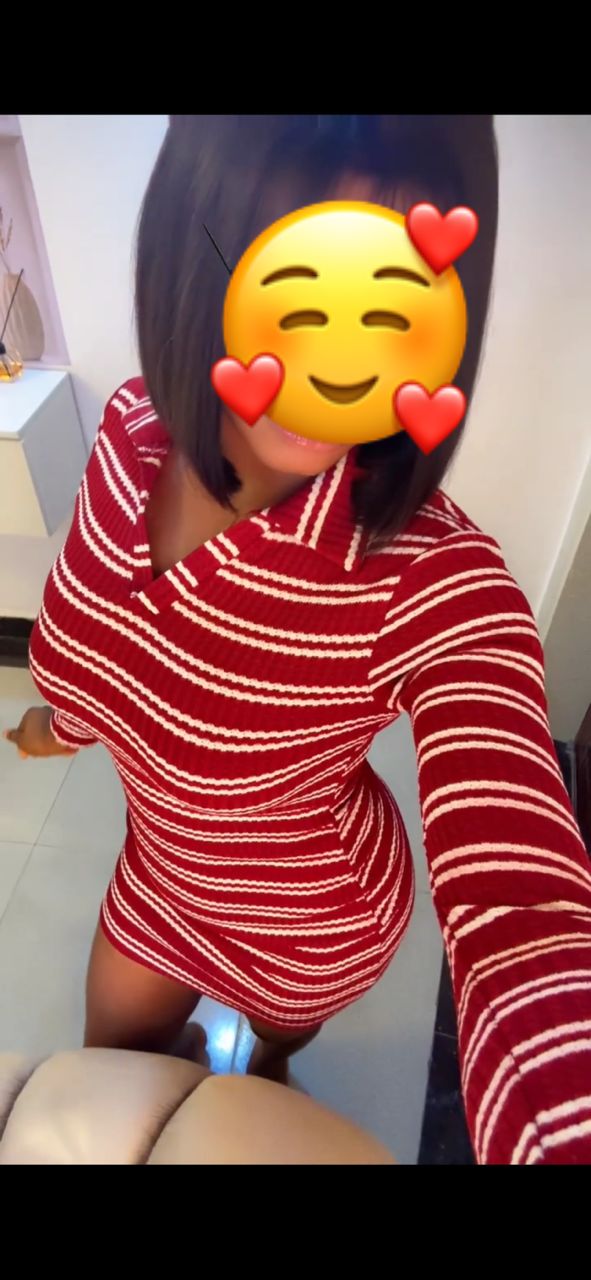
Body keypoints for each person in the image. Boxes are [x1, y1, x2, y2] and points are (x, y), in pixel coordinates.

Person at [5, 116, 591, 1164]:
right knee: (104, 1073)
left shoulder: (431, 577)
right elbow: (105, 651)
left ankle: (272, 1056)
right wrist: (60, 722)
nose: (332, 355)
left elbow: (525, 914)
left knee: (265, 1067)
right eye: (293, 273)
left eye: (388, 295)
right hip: (159, 875)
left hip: (313, 921)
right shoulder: (129, 433)